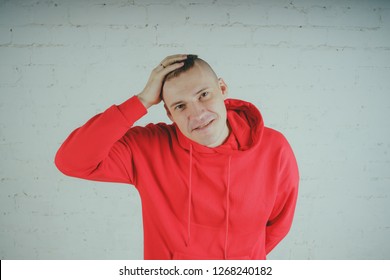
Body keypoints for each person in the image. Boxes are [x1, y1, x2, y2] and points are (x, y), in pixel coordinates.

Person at [55, 54, 299, 260]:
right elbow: (71, 161)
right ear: (170, 114)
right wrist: (141, 101)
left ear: (222, 89)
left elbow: (278, 225)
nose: (197, 113)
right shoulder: (147, 147)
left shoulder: (273, 148)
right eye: (180, 106)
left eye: (204, 95)